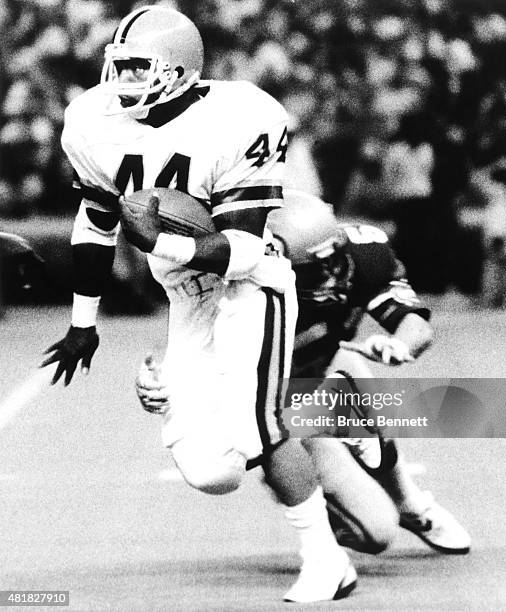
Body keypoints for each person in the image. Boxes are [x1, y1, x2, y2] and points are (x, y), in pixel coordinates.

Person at [40, 6, 355, 603]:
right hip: (185, 291)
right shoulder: (90, 119)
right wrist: (83, 322)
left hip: (250, 283)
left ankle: (326, 558)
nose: (123, 83)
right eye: (119, 68)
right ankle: (236, 411)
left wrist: (159, 238)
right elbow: (98, 219)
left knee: (257, 426)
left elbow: (240, 247)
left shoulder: (242, 116)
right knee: (212, 470)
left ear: (181, 71)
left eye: (138, 69)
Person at [138, 189, 471, 556]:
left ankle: (411, 504)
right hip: (277, 412)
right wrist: (158, 380)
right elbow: (184, 345)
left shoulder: (363, 251)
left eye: (334, 259)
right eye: (317, 269)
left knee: (354, 374)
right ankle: (295, 479)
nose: (333, 274)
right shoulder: (241, 287)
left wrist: (399, 346)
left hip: (324, 371)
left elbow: (416, 326)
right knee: (376, 534)